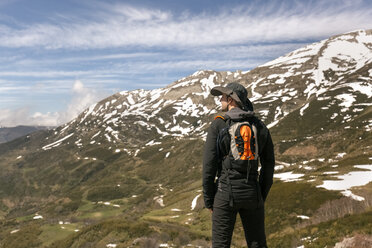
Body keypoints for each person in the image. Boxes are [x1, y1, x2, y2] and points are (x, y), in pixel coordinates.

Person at [202, 82, 275, 248]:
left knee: (221, 245)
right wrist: (259, 195)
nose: (220, 99)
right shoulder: (260, 126)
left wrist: (209, 200)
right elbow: (268, 165)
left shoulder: (219, 124)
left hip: (225, 193)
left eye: (223, 96)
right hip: (252, 193)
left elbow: (208, 166)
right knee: (257, 244)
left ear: (231, 100)